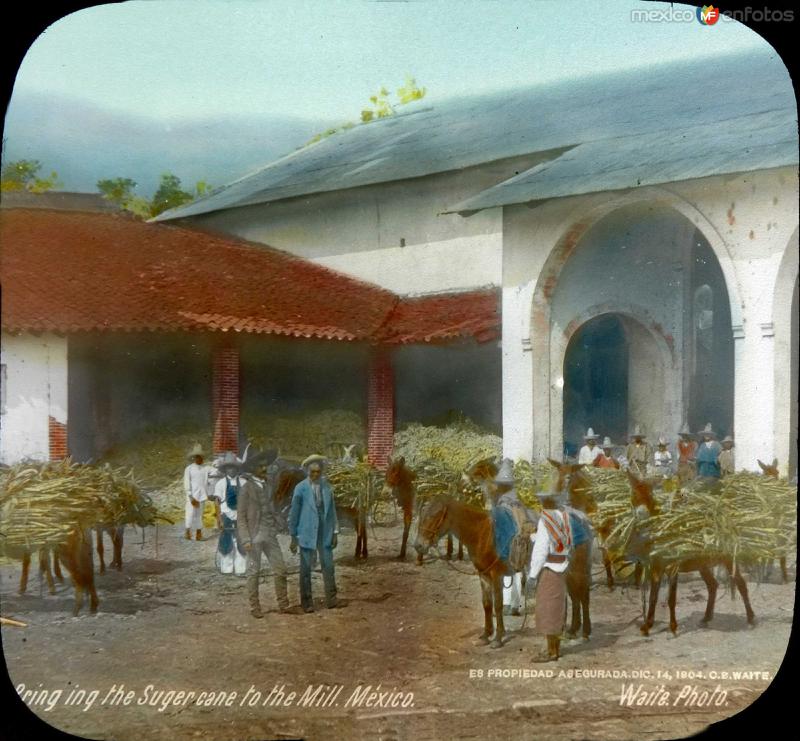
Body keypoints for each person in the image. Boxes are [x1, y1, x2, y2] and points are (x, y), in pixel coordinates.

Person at [237, 456, 290, 618]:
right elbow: (240, 516)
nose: (264, 469)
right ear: (253, 469)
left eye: (265, 466)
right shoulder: (246, 488)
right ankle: (255, 607)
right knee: (253, 572)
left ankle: (283, 604)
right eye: (261, 467)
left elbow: (272, 509)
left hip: (270, 534)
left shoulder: (268, 486)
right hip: (253, 537)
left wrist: (279, 523)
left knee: (280, 569)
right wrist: (245, 539)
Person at [288, 454, 340, 613]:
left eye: (318, 472)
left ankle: (331, 599)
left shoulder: (327, 487)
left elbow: (332, 512)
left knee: (328, 566)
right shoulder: (300, 488)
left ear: (322, 472)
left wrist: (335, 532)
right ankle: (307, 602)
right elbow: (294, 513)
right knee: (305, 569)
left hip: (324, 531)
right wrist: (293, 536)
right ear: (307, 471)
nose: (315, 475)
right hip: (307, 531)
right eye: (312, 472)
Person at [528, 490, 572, 662]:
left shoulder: (544, 521)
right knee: (558, 609)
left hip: (549, 570)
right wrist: (536, 537)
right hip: (563, 567)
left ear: (545, 504)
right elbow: (560, 542)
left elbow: (540, 551)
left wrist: (532, 575)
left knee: (547, 610)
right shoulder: (564, 517)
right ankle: (555, 649)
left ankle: (551, 652)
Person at [491, 459, 537, 616]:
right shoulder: (519, 504)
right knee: (517, 571)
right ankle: (515, 605)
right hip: (519, 543)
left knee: (507, 573)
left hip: (507, 543)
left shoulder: (502, 505)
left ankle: (506, 603)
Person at [210, 452, 248, 576]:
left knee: (241, 541)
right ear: (225, 469)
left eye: (233, 467)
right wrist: (219, 520)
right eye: (228, 467)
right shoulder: (220, 484)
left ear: (237, 469)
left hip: (240, 516)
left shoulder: (243, 482)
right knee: (227, 541)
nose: (231, 470)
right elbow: (217, 502)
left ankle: (240, 568)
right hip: (226, 515)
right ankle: (226, 568)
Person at [183, 444, 211, 541]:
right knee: (190, 513)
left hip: (201, 495)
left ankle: (199, 535)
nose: (199, 458)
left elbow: (215, 472)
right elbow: (187, 483)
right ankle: (187, 532)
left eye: (201, 457)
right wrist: (190, 497)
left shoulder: (206, 468)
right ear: (194, 458)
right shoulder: (189, 468)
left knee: (199, 514)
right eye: (197, 457)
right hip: (192, 496)